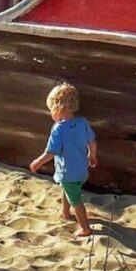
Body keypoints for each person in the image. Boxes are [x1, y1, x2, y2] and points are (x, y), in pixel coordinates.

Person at [29, 82, 97, 238]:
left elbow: (51, 151)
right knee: (67, 189)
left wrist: (37, 162)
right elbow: (92, 141)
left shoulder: (59, 129)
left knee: (76, 201)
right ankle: (65, 212)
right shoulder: (82, 123)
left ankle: (85, 228)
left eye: (51, 110)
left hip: (68, 172)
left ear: (58, 109)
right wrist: (92, 155)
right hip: (82, 169)